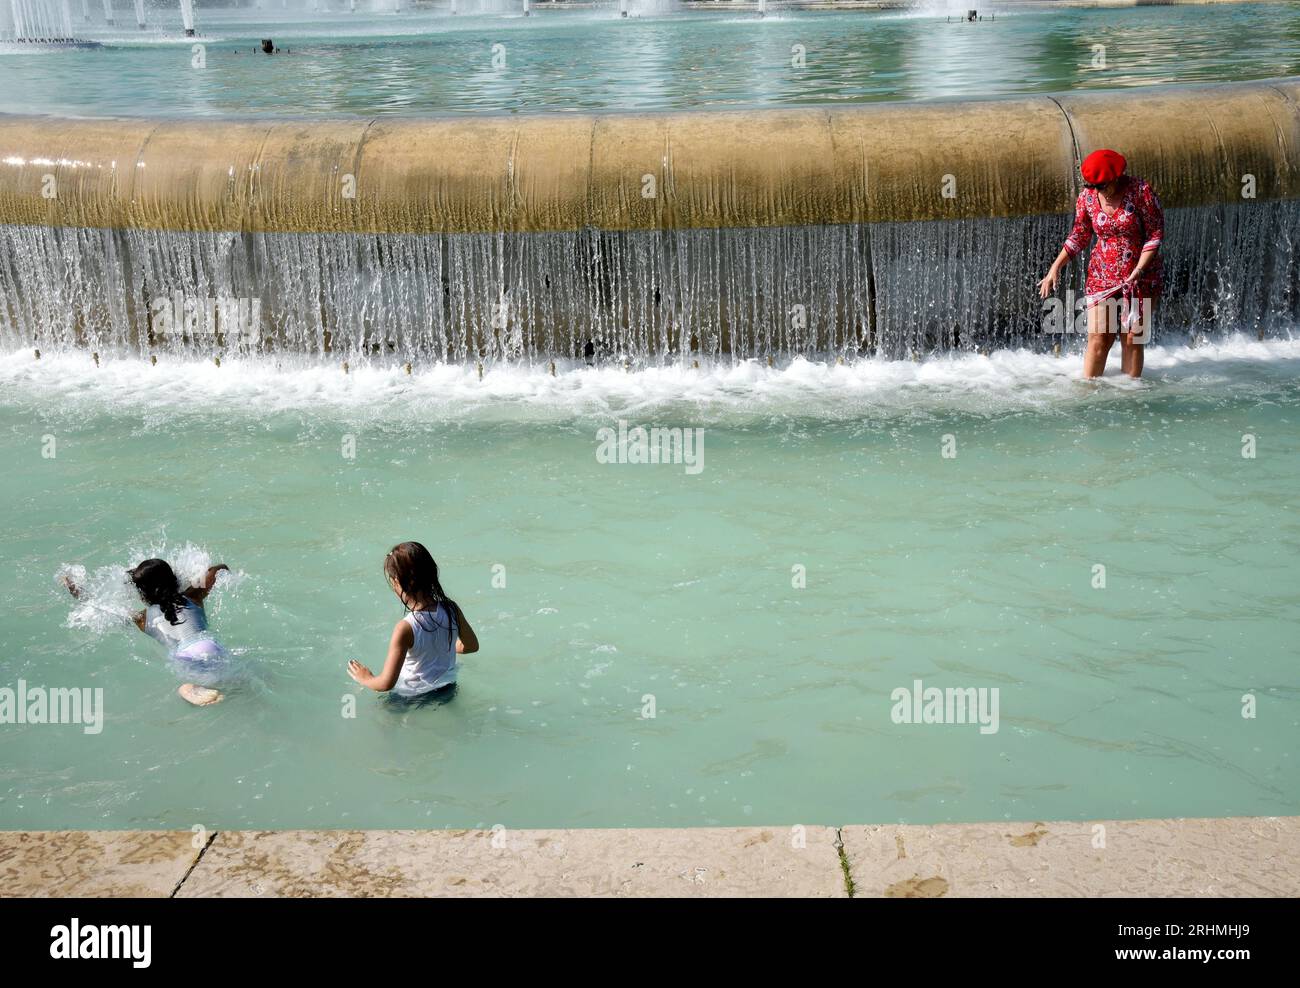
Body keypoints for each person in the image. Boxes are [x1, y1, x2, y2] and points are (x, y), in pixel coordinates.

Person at [1038, 148, 1164, 379]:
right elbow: (1080, 234)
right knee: (1099, 337)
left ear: (1116, 177)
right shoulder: (1087, 197)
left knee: (1132, 337)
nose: (1097, 190)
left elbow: (1155, 233)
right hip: (1102, 275)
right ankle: (1089, 396)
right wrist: (1055, 267)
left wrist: (1139, 269)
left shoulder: (1140, 191)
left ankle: (1131, 397)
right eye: (1092, 185)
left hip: (1141, 277)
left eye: (1102, 186)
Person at [62, 559, 233, 706]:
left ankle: (188, 687)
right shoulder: (192, 594)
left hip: (183, 655)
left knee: (193, 681)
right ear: (173, 580)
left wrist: (76, 591)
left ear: (142, 594)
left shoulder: (142, 618)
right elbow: (217, 570)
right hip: (208, 645)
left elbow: (100, 606)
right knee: (233, 680)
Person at [347, 542, 479, 698]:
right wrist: (443, 645)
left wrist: (366, 678)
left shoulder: (405, 628)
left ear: (397, 582)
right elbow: (471, 646)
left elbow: (385, 684)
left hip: (410, 697)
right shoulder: (452, 609)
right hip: (447, 690)